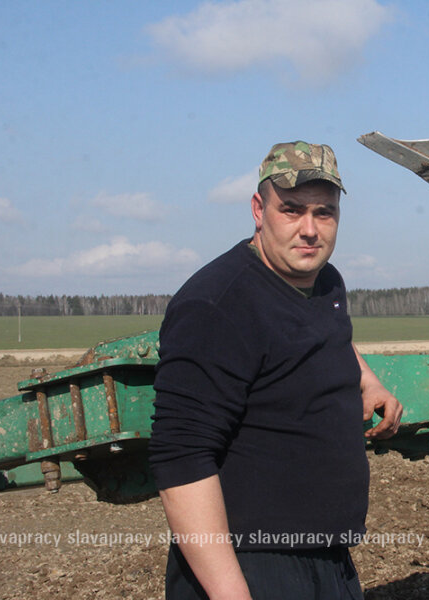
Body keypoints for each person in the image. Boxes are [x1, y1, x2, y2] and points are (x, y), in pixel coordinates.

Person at [148, 141, 403, 600]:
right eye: (291, 210)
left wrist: (367, 378)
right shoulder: (218, 305)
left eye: (324, 213)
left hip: (328, 558)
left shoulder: (323, 281)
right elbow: (181, 461)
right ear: (257, 209)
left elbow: (323, 330)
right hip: (251, 565)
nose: (309, 230)